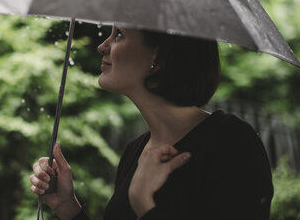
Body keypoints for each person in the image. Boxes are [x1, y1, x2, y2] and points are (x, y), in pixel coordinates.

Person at [30, 26, 273, 219]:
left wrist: (144, 202)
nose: (102, 46)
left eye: (119, 35)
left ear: (158, 56)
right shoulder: (133, 151)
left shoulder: (231, 143)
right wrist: (67, 207)